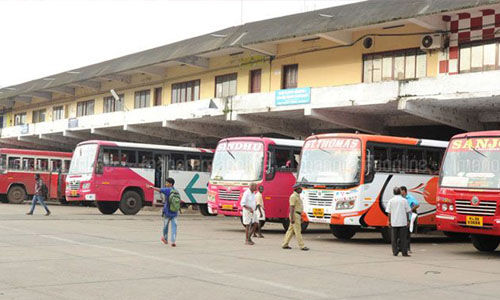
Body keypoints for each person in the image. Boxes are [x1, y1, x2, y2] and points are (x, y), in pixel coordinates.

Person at [147, 178, 179, 247]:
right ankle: (173, 241)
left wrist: (151, 187)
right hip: (175, 212)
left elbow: (159, 189)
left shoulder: (167, 190)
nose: (165, 184)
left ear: (170, 184)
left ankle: (165, 239)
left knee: (165, 227)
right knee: (174, 227)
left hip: (167, 212)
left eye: (167, 183)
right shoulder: (176, 191)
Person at [282, 183, 309, 251]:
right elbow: (292, 207)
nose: (301, 189)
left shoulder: (297, 196)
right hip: (295, 215)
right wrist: (292, 217)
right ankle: (302, 246)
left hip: (297, 215)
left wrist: (301, 217)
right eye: (300, 188)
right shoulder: (293, 196)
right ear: (297, 189)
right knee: (298, 231)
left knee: (290, 231)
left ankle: (285, 244)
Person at [386, 187, 411, 257]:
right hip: (403, 222)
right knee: (403, 238)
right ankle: (404, 252)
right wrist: (408, 220)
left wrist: (389, 221)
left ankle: (395, 252)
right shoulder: (404, 200)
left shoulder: (391, 201)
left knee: (394, 238)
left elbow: (389, 212)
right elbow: (407, 211)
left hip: (394, 222)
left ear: (393, 193)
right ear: (400, 192)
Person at [400, 186, 420, 253]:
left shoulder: (410, 197)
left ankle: (408, 248)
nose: (400, 192)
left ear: (404, 191)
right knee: (402, 233)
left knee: (407, 234)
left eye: (401, 191)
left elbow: (417, 204)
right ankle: (402, 247)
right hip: (402, 217)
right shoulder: (400, 198)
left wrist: (411, 209)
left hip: (409, 217)